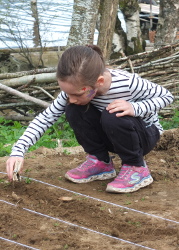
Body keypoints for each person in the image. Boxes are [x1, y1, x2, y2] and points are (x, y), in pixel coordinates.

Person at [6, 45, 174, 193]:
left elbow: (166, 96)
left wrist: (135, 108)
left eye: (76, 94)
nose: (70, 98)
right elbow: (46, 118)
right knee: (73, 109)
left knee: (113, 113)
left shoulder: (128, 83)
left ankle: (136, 167)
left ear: (99, 81)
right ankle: (100, 161)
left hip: (143, 135)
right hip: (113, 134)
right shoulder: (75, 90)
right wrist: (18, 150)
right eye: (67, 93)